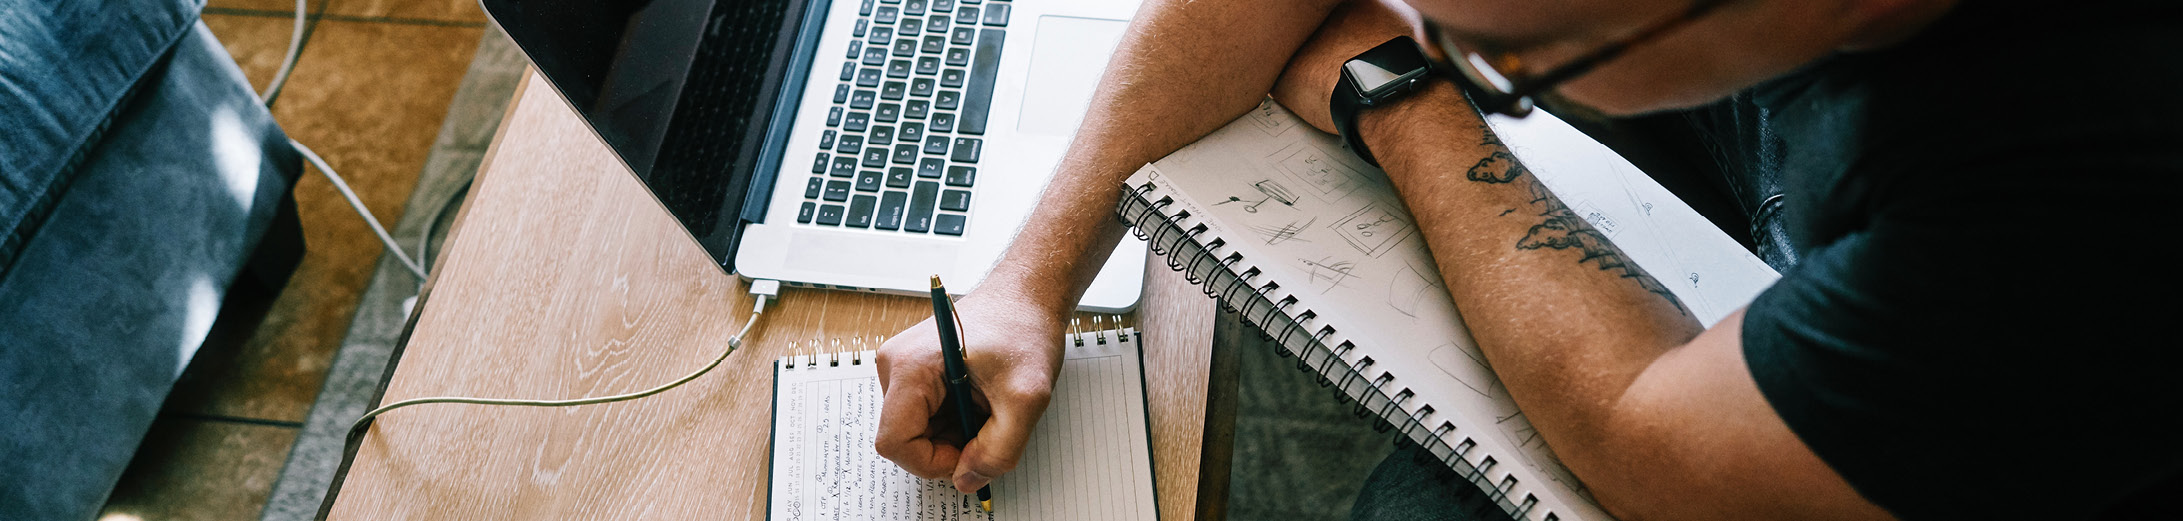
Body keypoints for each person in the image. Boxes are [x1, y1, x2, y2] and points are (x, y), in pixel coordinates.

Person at [873, 0, 2181, 519]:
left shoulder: (2089, 211)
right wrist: (1027, 282)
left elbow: (1648, 432)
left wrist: (1405, 92)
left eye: (1501, 56)